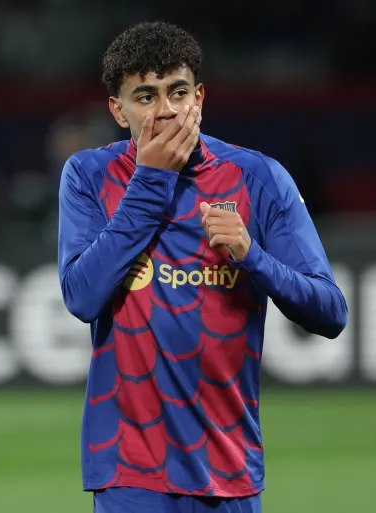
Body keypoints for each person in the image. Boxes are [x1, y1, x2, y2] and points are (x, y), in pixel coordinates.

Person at [58, 21, 348, 513]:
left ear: (200, 97)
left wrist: (252, 256)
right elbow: (81, 296)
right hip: (130, 471)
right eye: (145, 97)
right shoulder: (90, 176)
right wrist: (151, 180)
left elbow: (330, 311)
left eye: (178, 92)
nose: (167, 110)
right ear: (118, 110)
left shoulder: (257, 177)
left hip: (229, 468)